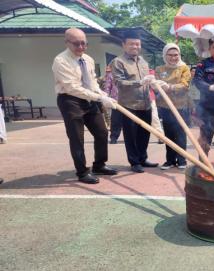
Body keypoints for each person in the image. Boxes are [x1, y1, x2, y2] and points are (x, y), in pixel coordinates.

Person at [52, 28, 118, 184]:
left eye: (84, 43)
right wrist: (99, 97)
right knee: (77, 138)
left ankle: (99, 165)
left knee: (102, 132)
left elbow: (92, 81)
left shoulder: (87, 59)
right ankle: (82, 172)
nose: (81, 47)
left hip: (89, 99)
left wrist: (102, 94)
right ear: (67, 42)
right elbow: (72, 88)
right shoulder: (60, 61)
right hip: (70, 100)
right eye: (76, 44)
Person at [111, 30, 158, 173]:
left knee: (145, 133)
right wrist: (139, 82)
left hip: (145, 103)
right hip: (129, 105)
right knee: (131, 136)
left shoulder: (143, 61)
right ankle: (134, 162)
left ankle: (143, 158)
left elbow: (148, 81)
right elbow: (119, 83)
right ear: (124, 45)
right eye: (131, 44)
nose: (135, 47)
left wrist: (155, 84)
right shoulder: (118, 62)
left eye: (137, 44)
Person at [153, 43, 191, 170]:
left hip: (181, 106)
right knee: (168, 134)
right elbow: (156, 86)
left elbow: (185, 85)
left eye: (176, 55)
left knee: (180, 134)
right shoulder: (159, 69)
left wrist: (169, 87)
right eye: (170, 55)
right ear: (165, 55)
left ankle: (181, 160)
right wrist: (154, 85)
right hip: (165, 106)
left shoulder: (184, 68)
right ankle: (169, 160)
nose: (173, 58)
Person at [104, 64, 122, 144]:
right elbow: (107, 87)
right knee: (115, 120)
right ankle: (114, 137)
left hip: (128, 101)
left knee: (130, 121)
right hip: (116, 101)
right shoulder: (111, 75)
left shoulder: (127, 74)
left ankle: (132, 137)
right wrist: (105, 98)